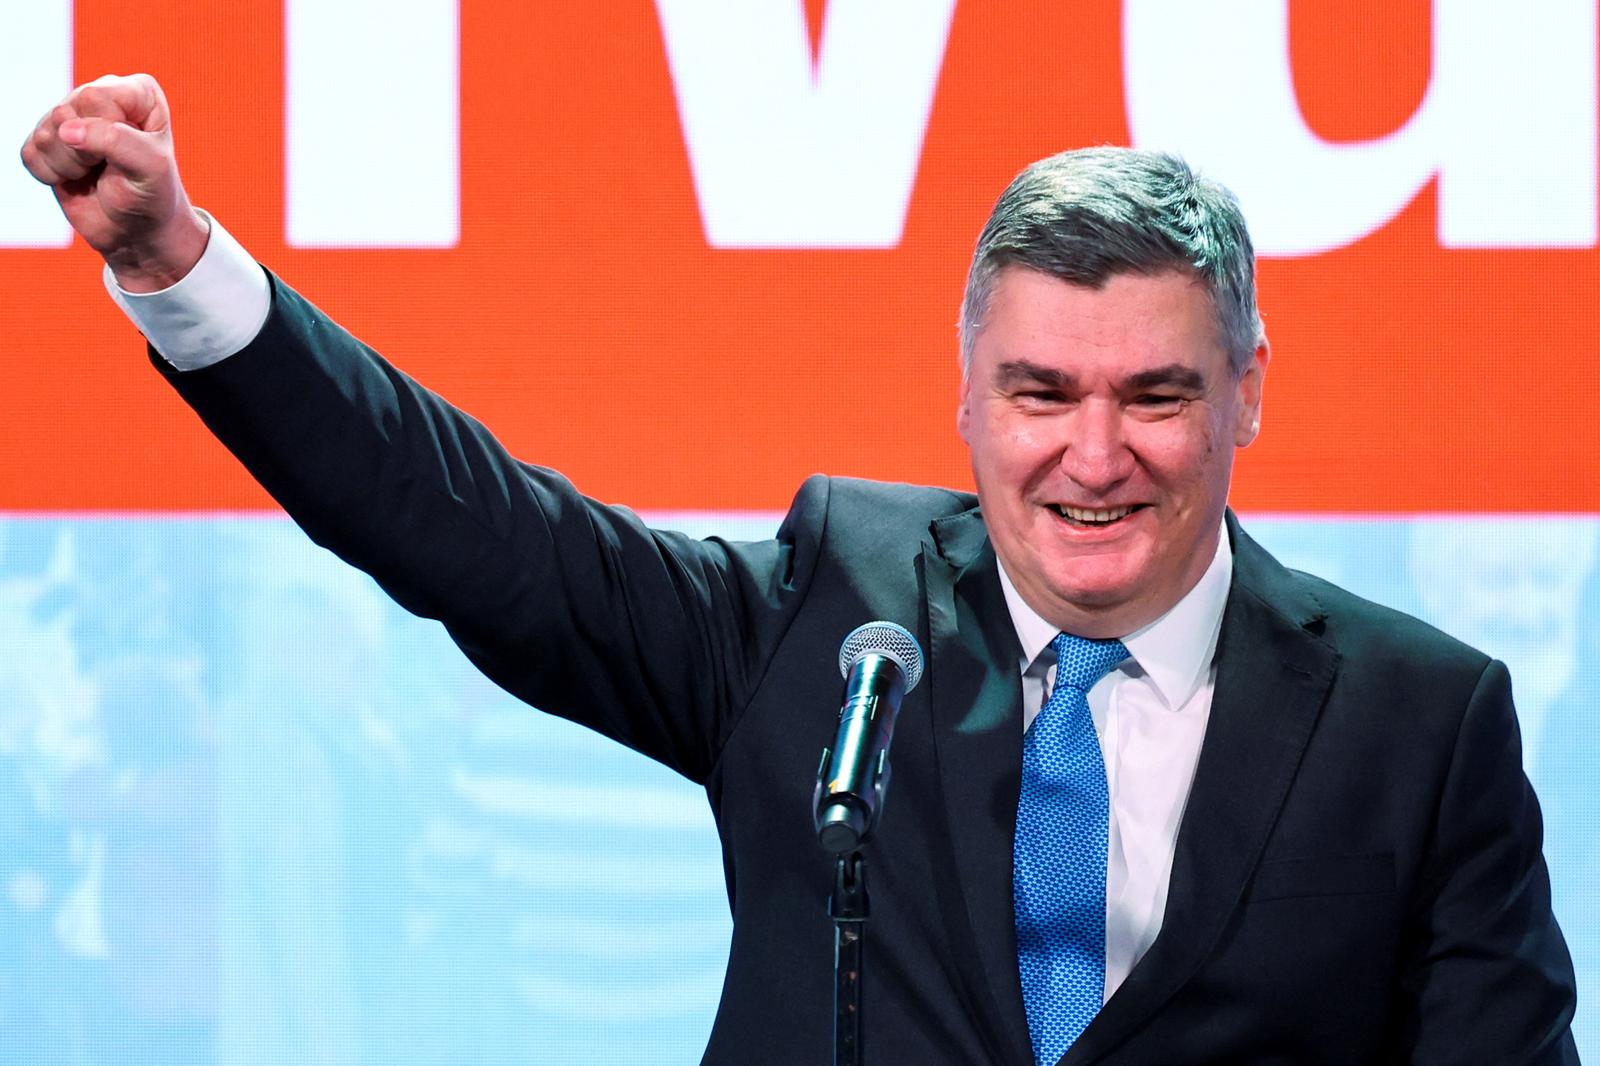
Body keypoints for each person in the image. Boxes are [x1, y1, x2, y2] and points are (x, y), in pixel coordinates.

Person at [22, 73, 1578, 1064]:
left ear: (1243, 390)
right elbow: (474, 531)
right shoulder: (840, 620)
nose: (1093, 456)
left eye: (1155, 396)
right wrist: (181, 276)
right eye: (1042, 392)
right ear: (965, 391)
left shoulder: (1416, 724)